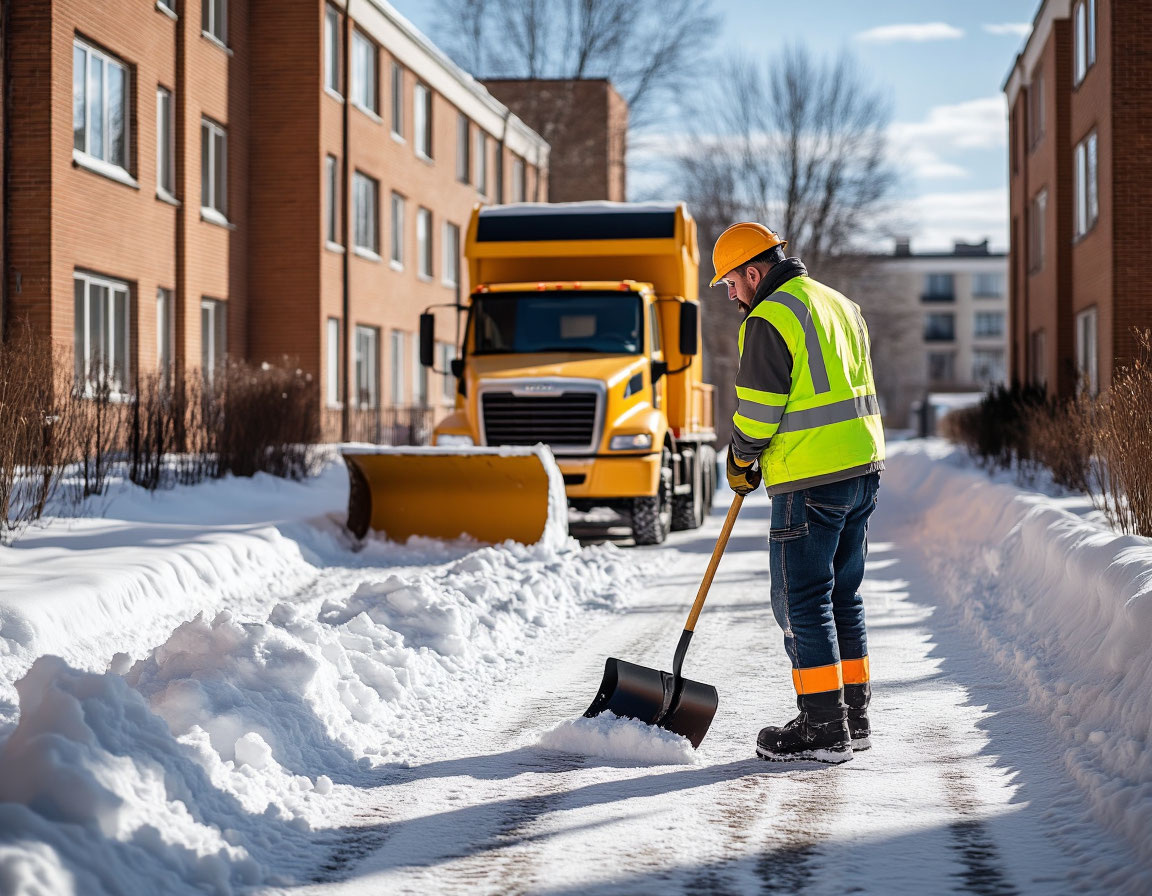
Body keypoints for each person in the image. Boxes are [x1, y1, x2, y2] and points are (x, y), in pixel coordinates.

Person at [711, 222, 885, 764]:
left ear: (753, 272)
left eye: (731, 283)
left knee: (802, 601)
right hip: (861, 469)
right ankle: (853, 718)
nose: (732, 295)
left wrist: (740, 458)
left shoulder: (770, 316)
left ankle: (823, 728)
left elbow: (759, 413)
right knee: (842, 596)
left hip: (810, 479)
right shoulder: (839, 304)